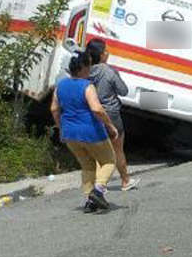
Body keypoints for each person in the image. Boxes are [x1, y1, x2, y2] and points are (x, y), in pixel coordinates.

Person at [52, 50, 119, 213]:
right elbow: (97, 109)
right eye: (89, 65)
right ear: (83, 68)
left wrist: (61, 128)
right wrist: (110, 126)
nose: (91, 68)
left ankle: (90, 201)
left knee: (87, 166)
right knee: (109, 161)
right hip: (91, 132)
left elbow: (54, 108)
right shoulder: (87, 86)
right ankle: (98, 191)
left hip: (69, 134)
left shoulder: (60, 85)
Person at [86, 39, 136, 190]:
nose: (108, 53)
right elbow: (124, 91)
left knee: (98, 151)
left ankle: (99, 184)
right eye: (105, 51)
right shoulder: (109, 71)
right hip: (112, 115)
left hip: (93, 115)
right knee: (118, 151)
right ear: (101, 55)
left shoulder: (85, 72)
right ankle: (125, 181)